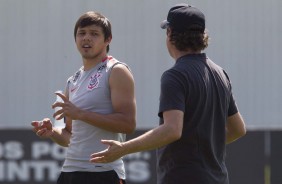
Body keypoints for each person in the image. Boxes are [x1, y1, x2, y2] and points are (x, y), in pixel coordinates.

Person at [90, 4, 246, 184]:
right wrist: (205, 149)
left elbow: (172, 129)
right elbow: (237, 129)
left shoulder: (176, 75)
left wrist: (123, 148)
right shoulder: (220, 73)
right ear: (202, 36)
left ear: (170, 33)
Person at [31, 11, 136, 184]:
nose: (86, 38)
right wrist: (52, 132)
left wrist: (81, 114)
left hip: (104, 172)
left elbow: (128, 124)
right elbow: (69, 136)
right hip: (69, 172)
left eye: (94, 34)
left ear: (108, 39)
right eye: (82, 33)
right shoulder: (73, 80)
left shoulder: (116, 70)